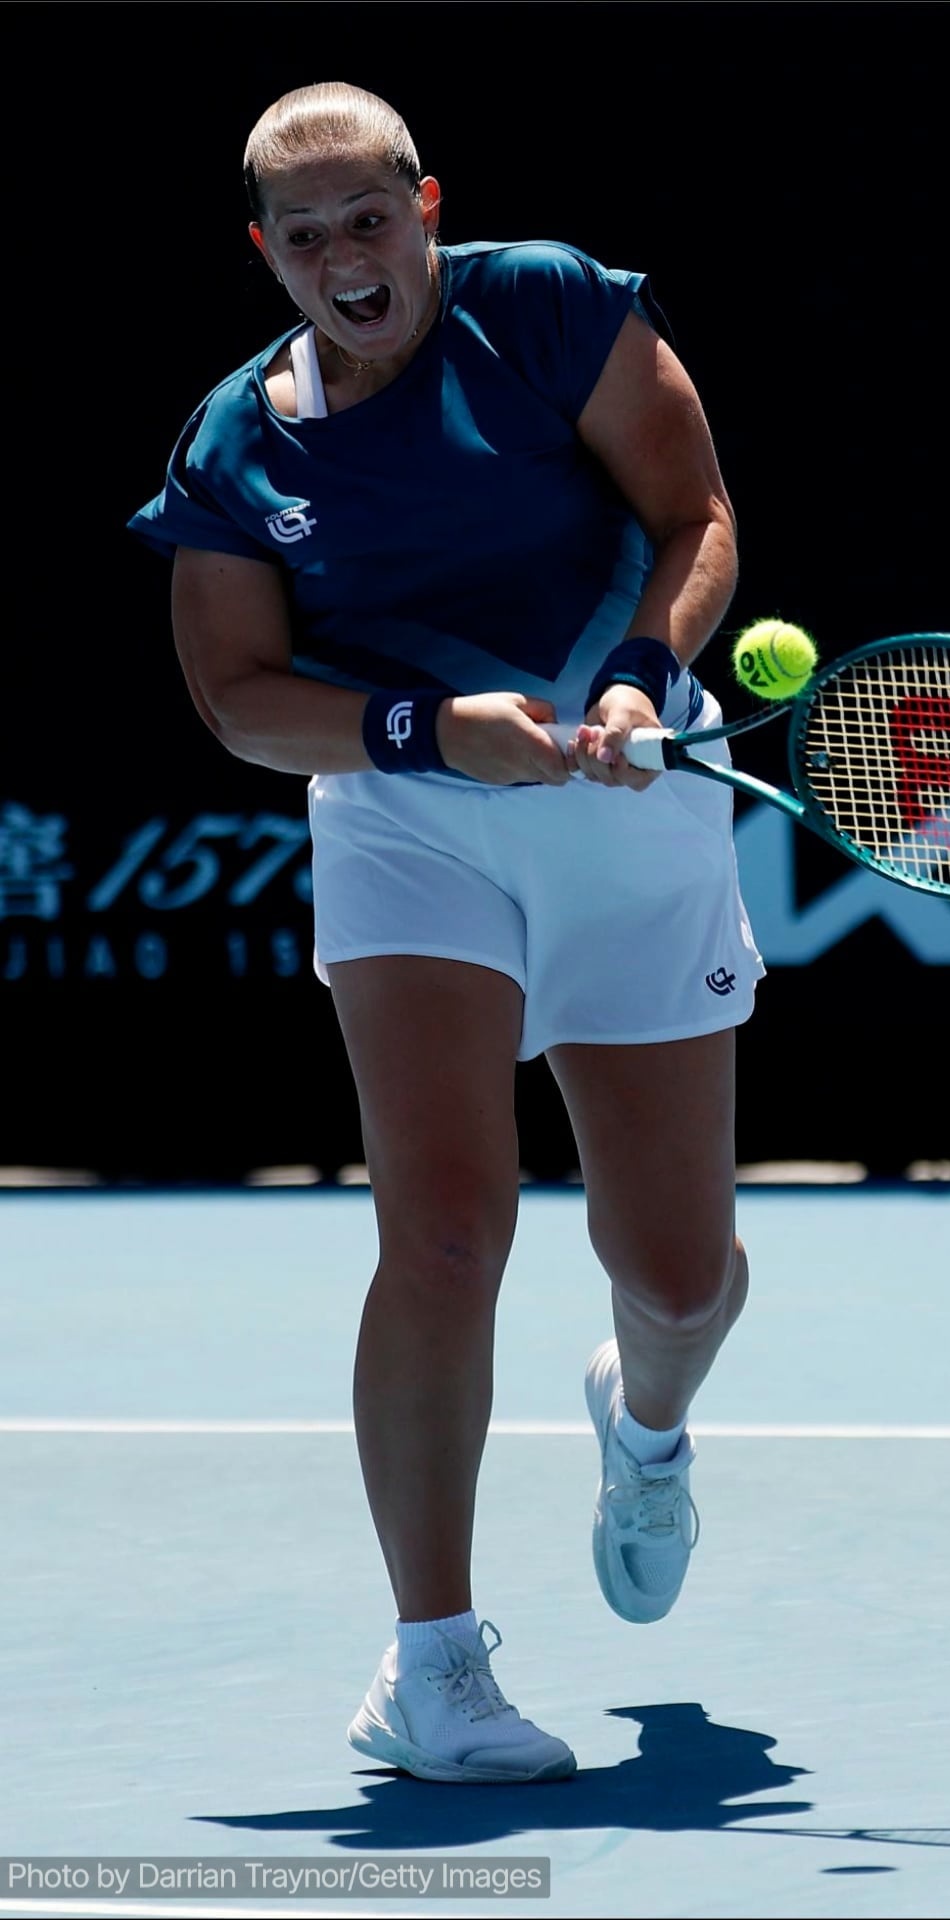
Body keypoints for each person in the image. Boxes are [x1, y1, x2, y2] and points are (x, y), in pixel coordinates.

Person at [128, 79, 766, 1786]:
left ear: (426, 205)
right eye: (306, 234)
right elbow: (240, 700)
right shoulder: (238, 447)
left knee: (680, 1276)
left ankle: (644, 1424)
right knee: (442, 1230)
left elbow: (695, 516)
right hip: (409, 825)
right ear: (266, 252)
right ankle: (431, 1667)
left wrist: (639, 677)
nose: (347, 257)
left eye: (370, 217)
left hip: (631, 809)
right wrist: (423, 732)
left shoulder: (551, 306)